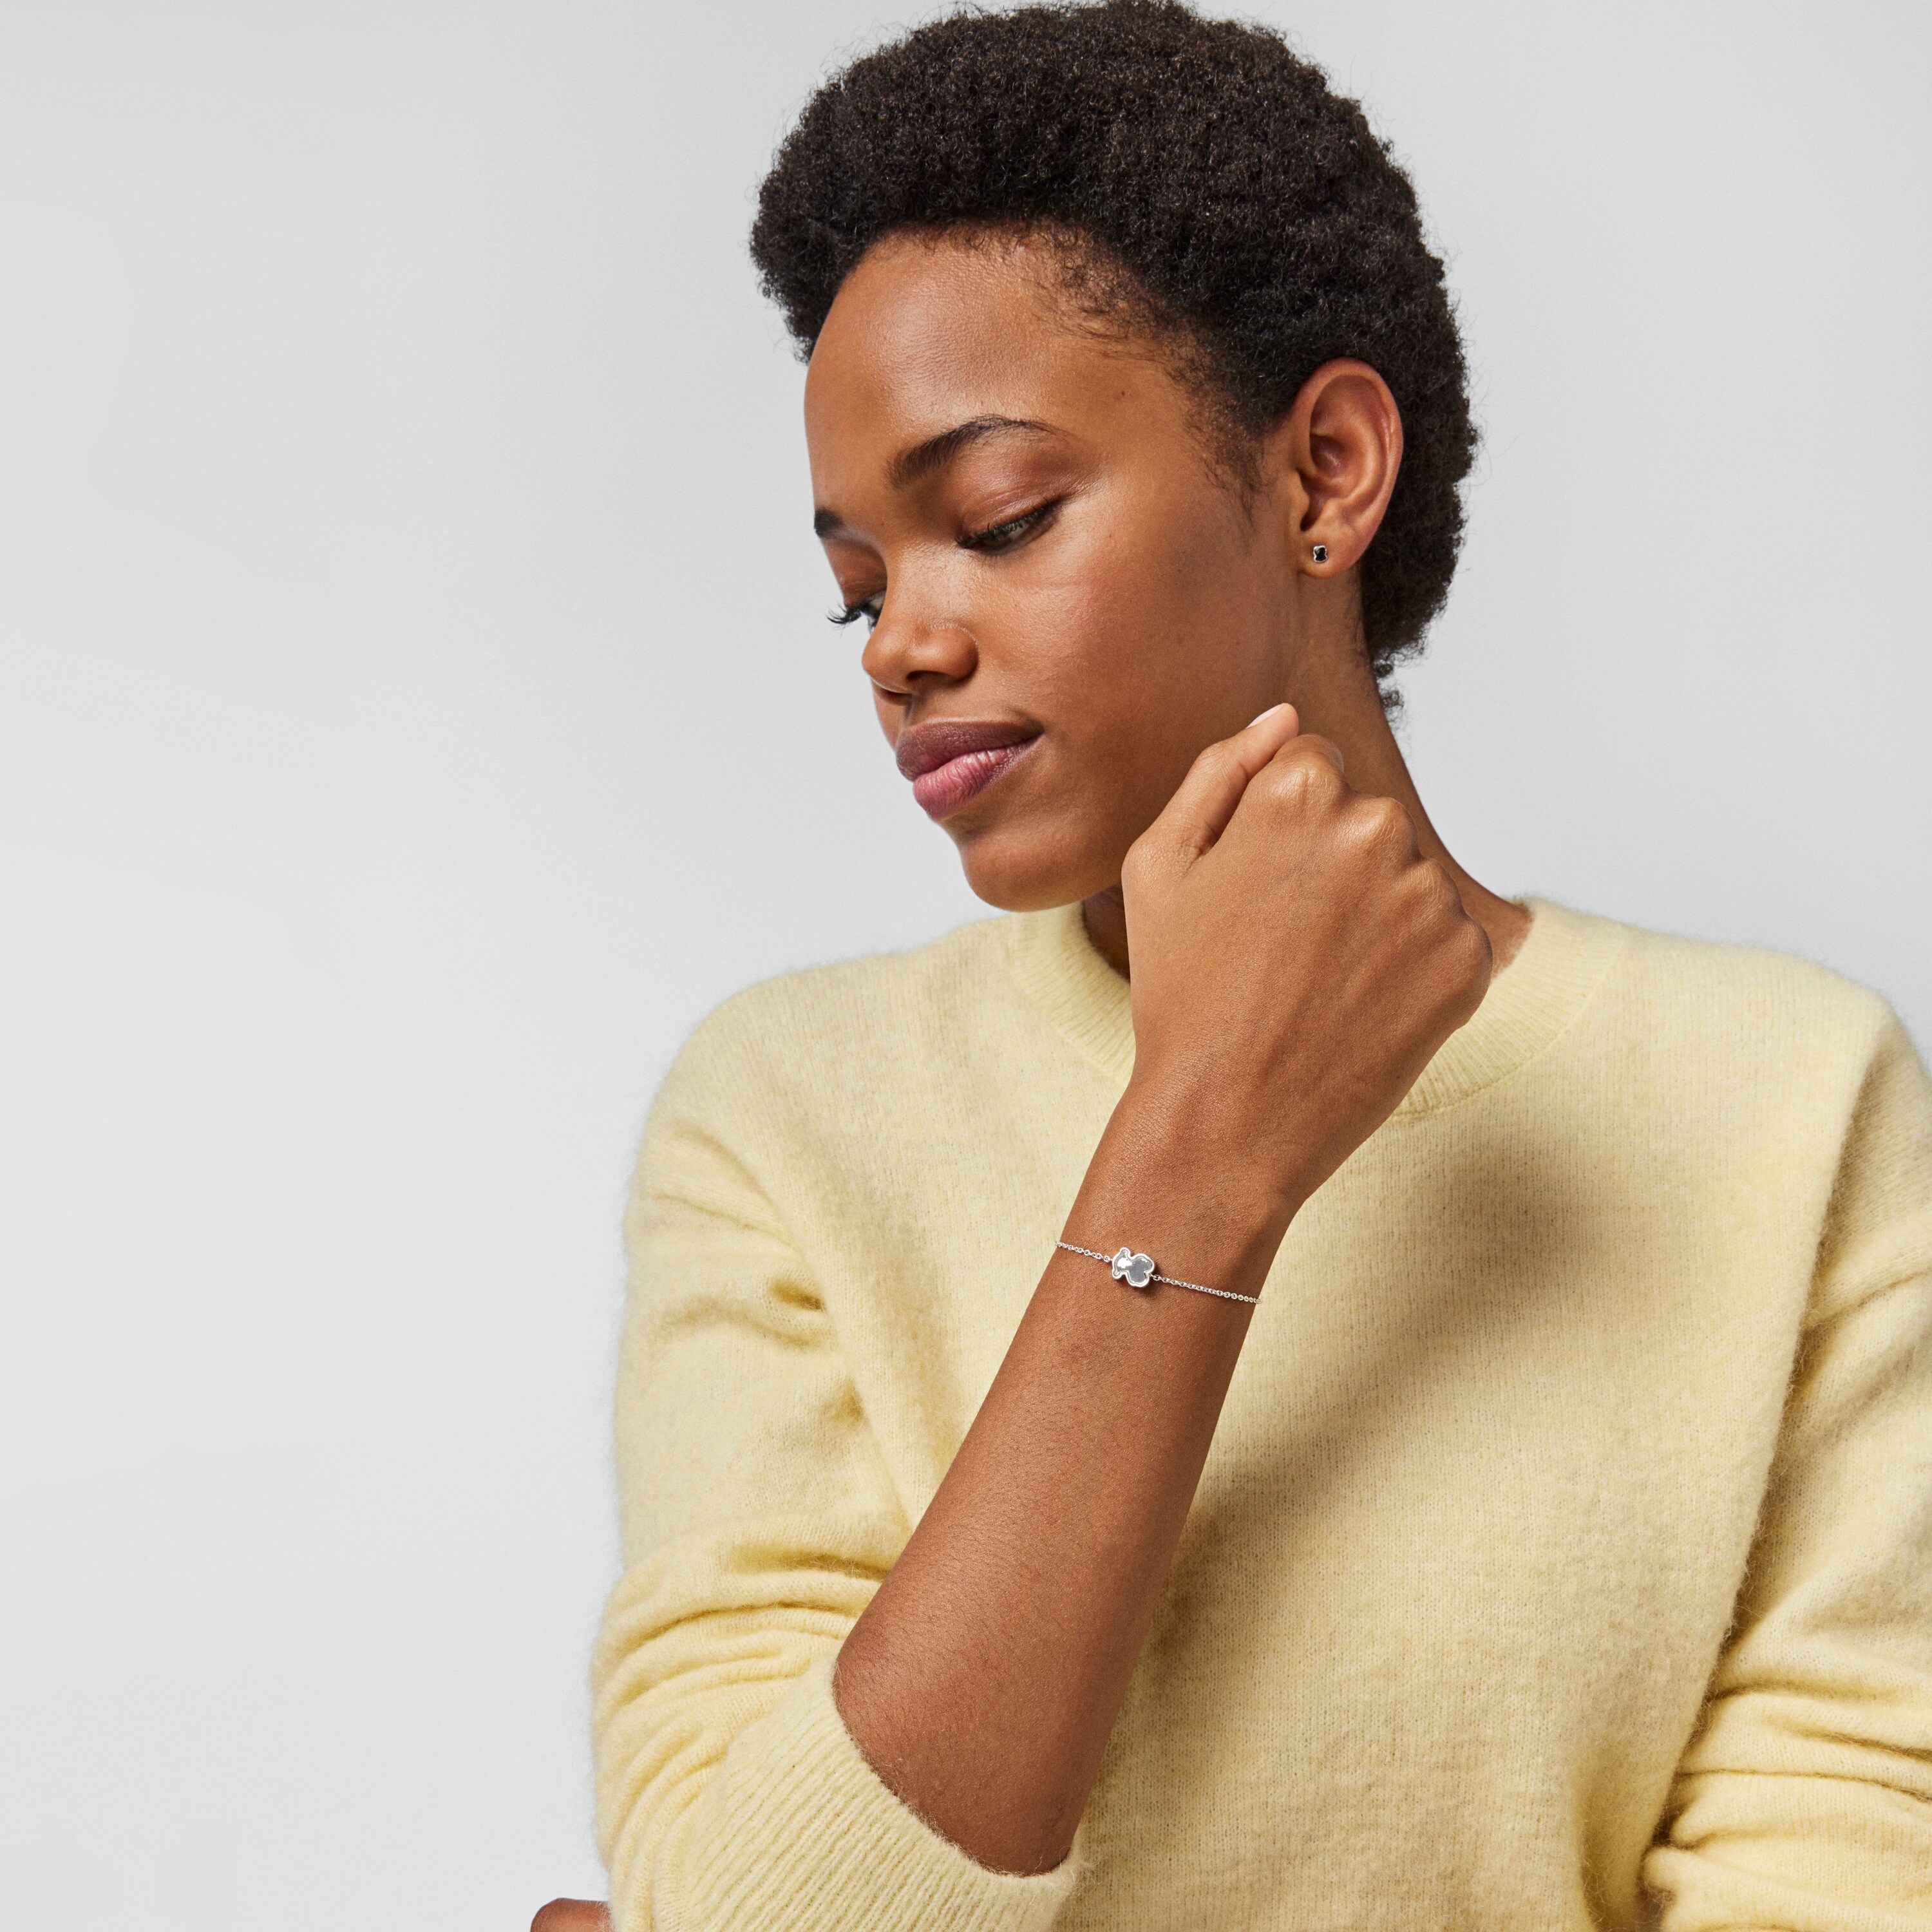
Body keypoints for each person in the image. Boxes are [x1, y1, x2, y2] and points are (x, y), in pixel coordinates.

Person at [535, 4, 1932, 1927]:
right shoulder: (783, 1117)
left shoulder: (1787, 1102)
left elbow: (1838, 1874)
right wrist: (1200, 1149)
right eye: (857, 589)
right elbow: (765, 1910)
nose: (902, 647)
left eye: (1000, 521)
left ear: (1325, 474)